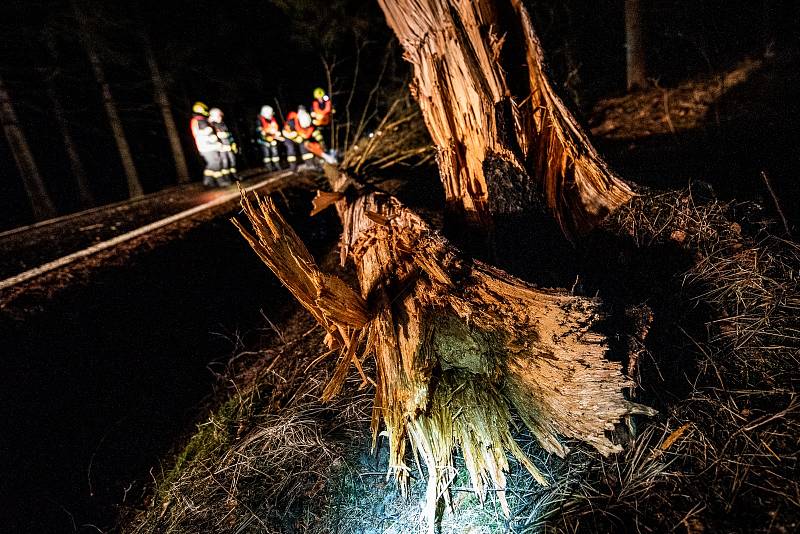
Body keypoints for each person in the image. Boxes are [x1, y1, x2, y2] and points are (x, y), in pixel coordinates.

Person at [283, 105, 335, 170]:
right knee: (291, 150)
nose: (306, 128)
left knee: (305, 147)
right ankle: (293, 167)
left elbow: (314, 132)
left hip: (301, 137)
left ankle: (310, 164)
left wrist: (321, 141)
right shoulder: (292, 122)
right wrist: (296, 137)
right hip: (290, 138)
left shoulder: (309, 121)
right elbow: (286, 133)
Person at [190, 101, 228, 187]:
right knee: (215, 163)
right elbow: (203, 134)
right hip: (207, 146)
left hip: (208, 146)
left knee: (214, 163)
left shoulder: (200, 120)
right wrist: (214, 140)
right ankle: (218, 181)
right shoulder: (199, 120)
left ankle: (209, 181)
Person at [208, 107, 238, 182]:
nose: (220, 117)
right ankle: (227, 178)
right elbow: (213, 139)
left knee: (232, 161)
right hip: (221, 149)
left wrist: (233, 144)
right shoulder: (212, 126)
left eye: (220, 116)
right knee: (225, 162)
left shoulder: (223, 124)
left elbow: (229, 135)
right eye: (218, 116)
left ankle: (234, 176)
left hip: (229, 146)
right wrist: (221, 146)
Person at [256, 105, 282, 171]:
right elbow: (260, 132)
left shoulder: (272, 119)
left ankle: (277, 166)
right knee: (267, 155)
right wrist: (266, 136)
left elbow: (275, 128)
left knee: (275, 154)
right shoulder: (259, 121)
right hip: (264, 141)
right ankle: (269, 167)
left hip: (272, 139)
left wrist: (277, 133)